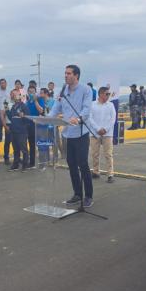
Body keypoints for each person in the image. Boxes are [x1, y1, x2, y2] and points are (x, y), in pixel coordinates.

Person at [48, 65, 94, 207]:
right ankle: (77, 194)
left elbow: (86, 109)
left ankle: (88, 196)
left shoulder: (86, 90)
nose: (65, 76)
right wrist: (46, 119)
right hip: (68, 134)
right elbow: (56, 108)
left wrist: (79, 118)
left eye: (68, 73)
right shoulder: (62, 91)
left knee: (83, 164)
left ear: (76, 76)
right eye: (65, 73)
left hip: (81, 132)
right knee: (72, 165)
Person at [89, 87, 116, 183]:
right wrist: (97, 129)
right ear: (100, 94)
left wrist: (105, 129)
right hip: (94, 133)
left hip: (107, 134)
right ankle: (96, 172)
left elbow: (113, 119)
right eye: (107, 94)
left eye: (109, 94)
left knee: (108, 154)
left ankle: (110, 174)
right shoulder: (92, 105)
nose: (108, 96)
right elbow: (90, 118)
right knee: (95, 154)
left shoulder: (111, 105)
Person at [7, 89, 30, 172]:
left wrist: (23, 116)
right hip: (14, 130)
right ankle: (15, 165)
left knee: (23, 149)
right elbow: (11, 118)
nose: (13, 95)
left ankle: (25, 165)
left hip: (21, 131)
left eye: (15, 94)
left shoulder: (23, 106)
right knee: (15, 149)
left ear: (20, 96)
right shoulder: (13, 106)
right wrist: (7, 111)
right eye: (12, 94)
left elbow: (27, 119)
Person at [25, 86, 45, 168]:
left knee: (40, 145)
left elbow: (41, 110)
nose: (31, 93)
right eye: (29, 92)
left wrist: (35, 100)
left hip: (38, 125)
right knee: (31, 145)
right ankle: (32, 163)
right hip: (29, 125)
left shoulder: (40, 100)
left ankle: (42, 163)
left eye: (33, 92)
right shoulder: (28, 101)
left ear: (35, 92)